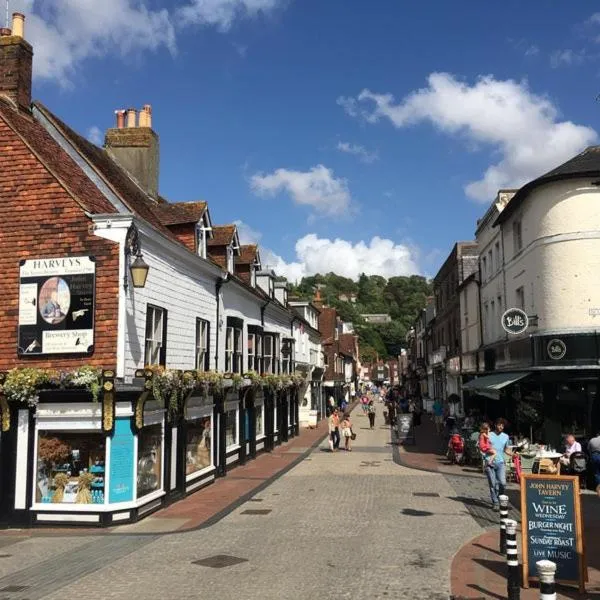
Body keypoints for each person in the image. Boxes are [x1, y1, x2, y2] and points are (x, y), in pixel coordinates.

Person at [485, 418, 511, 510]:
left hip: (501, 463)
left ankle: (500, 497)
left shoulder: (506, 436)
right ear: (495, 425)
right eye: (499, 425)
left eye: (503, 425)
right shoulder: (489, 435)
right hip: (490, 462)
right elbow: (482, 447)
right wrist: (486, 456)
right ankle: (495, 502)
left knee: (503, 483)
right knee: (492, 484)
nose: (501, 427)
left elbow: (506, 449)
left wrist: (513, 454)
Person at [588, 431, 600, 497]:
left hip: (594, 456)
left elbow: (588, 449)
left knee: (597, 473)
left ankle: (598, 488)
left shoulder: (592, 440)